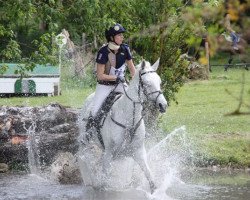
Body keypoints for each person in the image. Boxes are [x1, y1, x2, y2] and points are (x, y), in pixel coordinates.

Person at [86, 23, 136, 132]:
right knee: (95, 112)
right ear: (112, 38)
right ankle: (87, 135)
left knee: (133, 102)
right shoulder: (103, 52)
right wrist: (116, 78)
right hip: (105, 86)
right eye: (119, 35)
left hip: (120, 85)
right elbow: (100, 76)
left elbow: (133, 70)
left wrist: (136, 82)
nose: (122, 37)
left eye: (122, 35)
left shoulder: (125, 49)